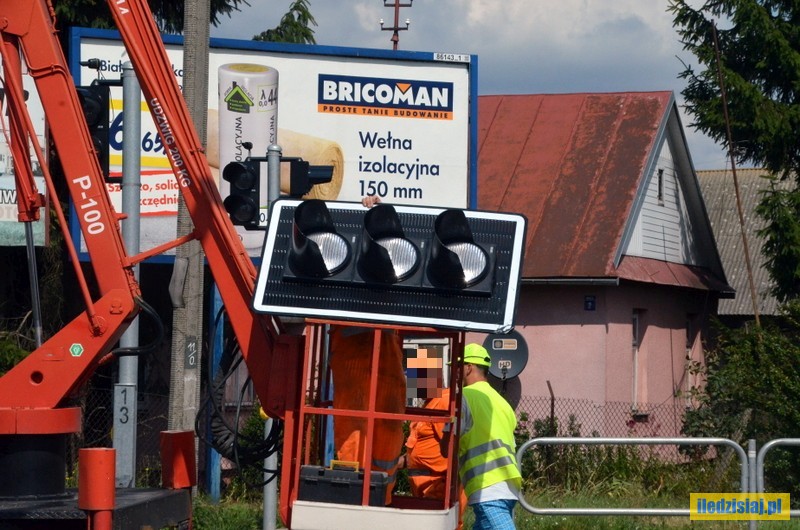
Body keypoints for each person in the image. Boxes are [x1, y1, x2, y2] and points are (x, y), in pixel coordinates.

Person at [441, 343, 522, 530]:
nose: (456, 372)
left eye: (458, 367)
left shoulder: (464, 398)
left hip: (488, 488)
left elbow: (446, 448)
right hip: (508, 488)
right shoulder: (503, 403)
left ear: (469, 367)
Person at [400, 348, 467, 529]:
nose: (413, 384)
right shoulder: (428, 404)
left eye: (417, 378)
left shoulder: (443, 402)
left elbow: (453, 446)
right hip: (425, 489)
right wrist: (399, 462)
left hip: (438, 488)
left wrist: (450, 488)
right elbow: (423, 445)